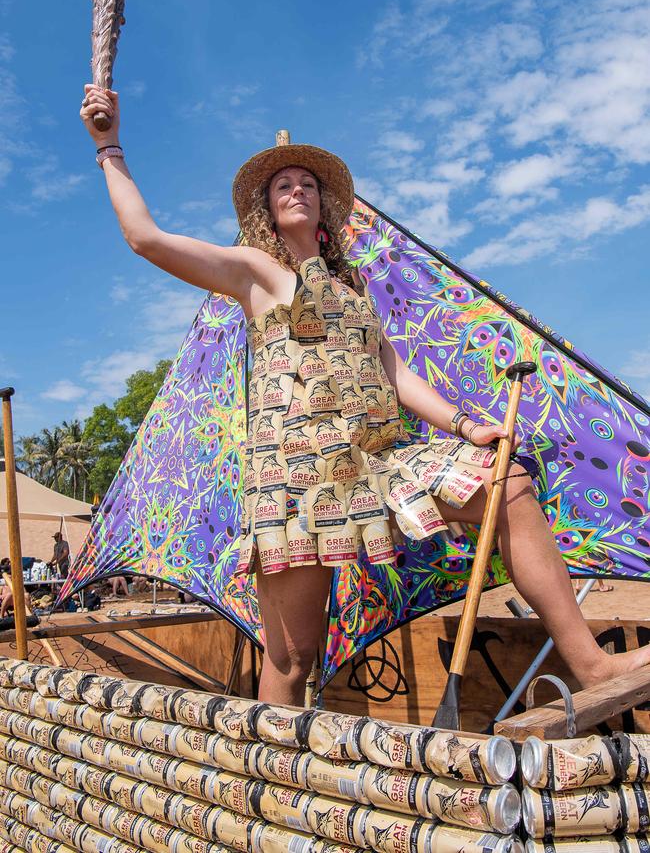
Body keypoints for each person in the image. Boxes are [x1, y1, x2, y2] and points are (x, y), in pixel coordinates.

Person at [80, 84, 650, 706]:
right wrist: (109, 147)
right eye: (282, 186)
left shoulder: (356, 296)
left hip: (379, 461)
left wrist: (466, 427)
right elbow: (145, 237)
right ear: (267, 211)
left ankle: (592, 665)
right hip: (298, 482)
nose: (296, 190)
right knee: (293, 658)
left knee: (506, 485)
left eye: (306, 184)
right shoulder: (255, 272)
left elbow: (397, 376)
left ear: (324, 206)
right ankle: (273, 778)